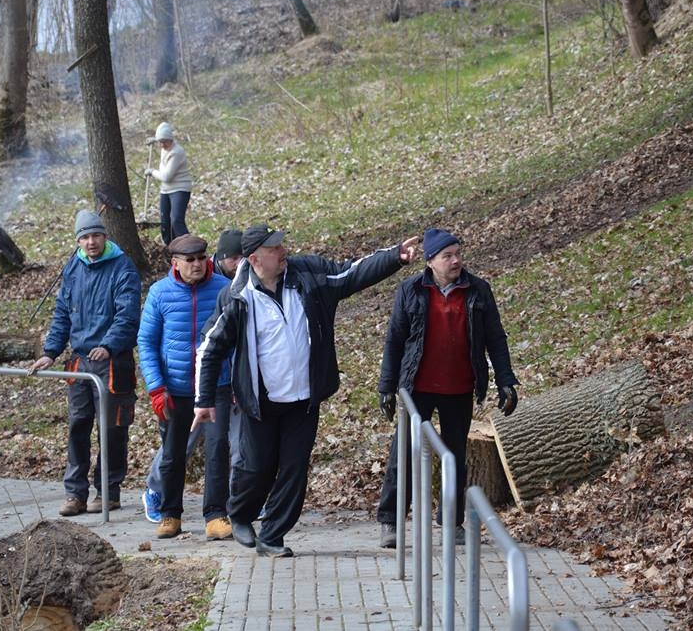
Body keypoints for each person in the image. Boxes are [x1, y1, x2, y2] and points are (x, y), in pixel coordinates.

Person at [193, 224, 418, 557]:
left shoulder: (307, 275)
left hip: (304, 400)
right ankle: (239, 513)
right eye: (275, 249)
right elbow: (209, 347)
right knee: (257, 468)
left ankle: (272, 536)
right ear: (255, 259)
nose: (284, 251)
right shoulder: (238, 297)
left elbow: (351, 274)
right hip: (262, 402)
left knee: (294, 469)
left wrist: (394, 257)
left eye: (282, 245)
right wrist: (203, 400)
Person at [375, 228, 519, 548]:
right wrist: (387, 387)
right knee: (404, 454)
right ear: (430, 262)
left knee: (454, 457)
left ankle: (452, 522)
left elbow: (495, 338)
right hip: (418, 387)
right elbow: (395, 341)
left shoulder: (478, 290)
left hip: (459, 387)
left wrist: (506, 380)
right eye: (447, 256)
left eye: (457, 254)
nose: (455, 261)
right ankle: (390, 520)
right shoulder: (410, 290)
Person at [28, 210, 141, 517]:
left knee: (113, 428)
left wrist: (109, 345)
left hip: (112, 364)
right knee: (78, 426)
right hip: (80, 363)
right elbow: (62, 313)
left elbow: (128, 316)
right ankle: (74, 493)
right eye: (85, 237)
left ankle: (108, 491)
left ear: (105, 236)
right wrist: (50, 351)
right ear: (78, 240)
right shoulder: (73, 267)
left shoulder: (122, 268)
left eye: (96, 236)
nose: (91, 242)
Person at [138, 233, 234, 540]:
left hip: (216, 384)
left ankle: (216, 515)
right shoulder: (159, 293)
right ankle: (170, 514)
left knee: (218, 448)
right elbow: (147, 342)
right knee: (173, 453)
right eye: (189, 260)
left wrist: (234, 379)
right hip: (174, 388)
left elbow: (236, 337)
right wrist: (156, 387)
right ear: (175, 263)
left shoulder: (224, 288)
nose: (196, 264)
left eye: (200, 258)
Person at [144, 122, 192, 246]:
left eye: (164, 141)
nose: (162, 145)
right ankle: (171, 247)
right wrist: (154, 140)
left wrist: (152, 171)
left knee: (176, 220)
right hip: (165, 191)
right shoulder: (164, 146)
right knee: (165, 222)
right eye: (160, 142)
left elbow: (166, 177)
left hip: (180, 189)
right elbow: (161, 137)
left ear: (171, 139)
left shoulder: (176, 152)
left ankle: (189, 246)